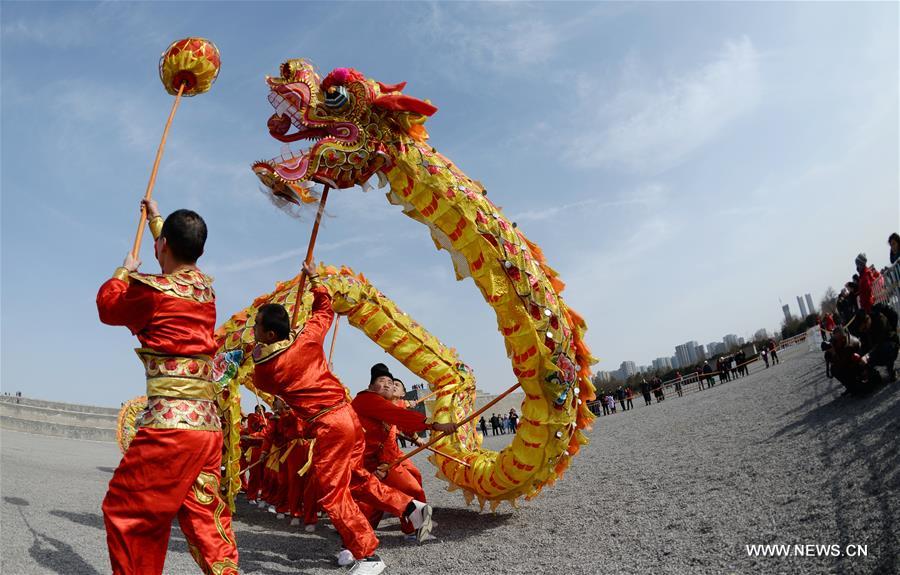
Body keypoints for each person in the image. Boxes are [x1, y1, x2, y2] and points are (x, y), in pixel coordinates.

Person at [252, 261, 430, 575]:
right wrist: (315, 281)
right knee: (358, 480)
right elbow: (324, 309)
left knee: (331, 492)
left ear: (267, 333)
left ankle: (368, 555)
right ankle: (411, 509)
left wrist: (260, 352)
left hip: (329, 426)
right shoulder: (307, 338)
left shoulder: (268, 369)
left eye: (256, 327)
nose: (253, 331)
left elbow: (262, 381)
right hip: (348, 417)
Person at [96, 199, 239, 574]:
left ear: (162, 248)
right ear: (200, 250)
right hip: (207, 427)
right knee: (205, 519)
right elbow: (180, 254)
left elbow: (108, 308)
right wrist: (157, 219)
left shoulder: (152, 291)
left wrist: (123, 271)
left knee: (128, 511)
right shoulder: (205, 290)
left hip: (171, 426)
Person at [351, 366, 456, 537]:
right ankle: (413, 529)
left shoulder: (383, 402)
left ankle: (413, 529)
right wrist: (435, 425)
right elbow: (399, 415)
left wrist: (417, 437)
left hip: (382, 459)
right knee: (405, 492)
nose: (386, 385)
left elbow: (400, 418)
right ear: (370, 387)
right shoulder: (368, 400)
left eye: (390, 382)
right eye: (381, 381)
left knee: (398, 491)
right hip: (365, 462)